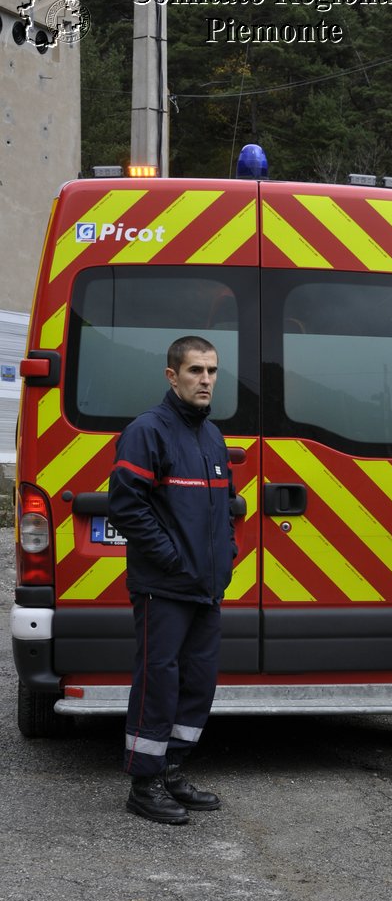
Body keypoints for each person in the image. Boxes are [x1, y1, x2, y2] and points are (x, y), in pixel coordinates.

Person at [108, 336, 238, 825]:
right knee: (158, 683)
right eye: (195, 371)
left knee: (198, 683)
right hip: (164, 587)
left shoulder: (212, 437)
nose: (206, 380)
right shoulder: (148, 431)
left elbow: (226, 507)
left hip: (206, 588)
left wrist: (225, 554)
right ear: (172, 376)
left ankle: (172, 771)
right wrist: (172, 560)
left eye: (212, 371)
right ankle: (144, 784)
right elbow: (126, 506)